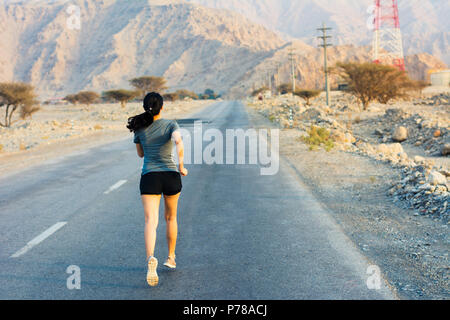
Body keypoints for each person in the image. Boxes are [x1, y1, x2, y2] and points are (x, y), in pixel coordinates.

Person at [127, 92, 188, 287]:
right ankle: (171, 257)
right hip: (170, 175)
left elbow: (140, 154)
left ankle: (150, 258)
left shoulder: (139, 128)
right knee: (171, 218)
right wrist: (181, 166)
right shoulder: (171, 124)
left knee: (150, 221)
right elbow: (178, 141)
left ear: (145, 107)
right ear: (162, 107)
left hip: (149, 177)